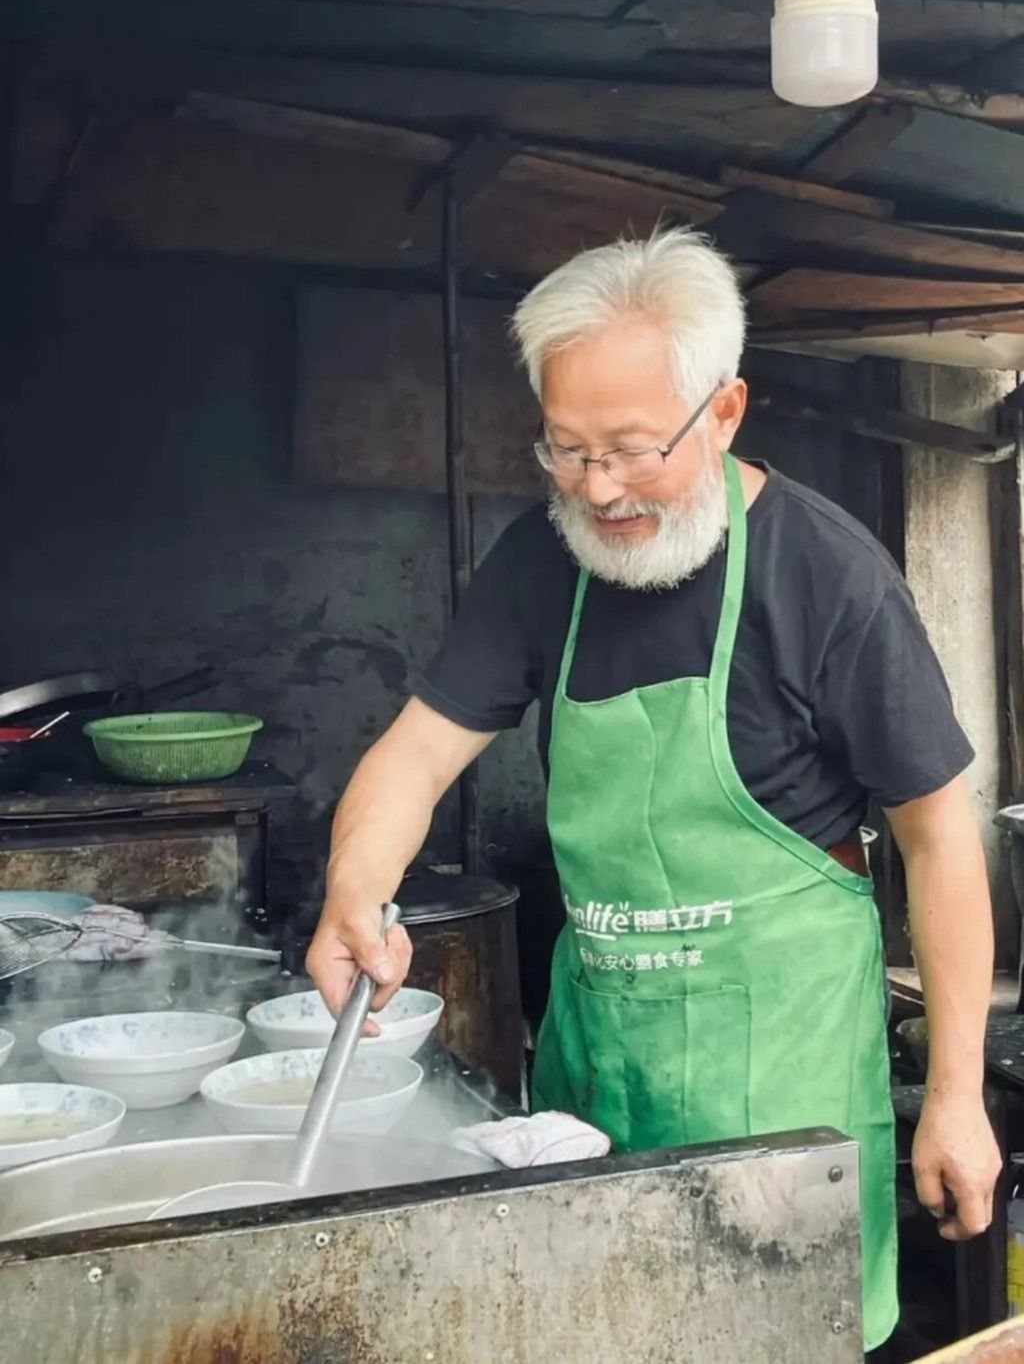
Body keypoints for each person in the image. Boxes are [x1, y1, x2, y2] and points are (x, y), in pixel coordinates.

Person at [306, 228, 1000, 1352]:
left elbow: (938, 837)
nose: (599, 489)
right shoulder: (543, 559)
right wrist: (352, 889)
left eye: (632, 450)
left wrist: (956, 1092)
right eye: (566, 450)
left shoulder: (825, 575)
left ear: (723, 413)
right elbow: (416, 753)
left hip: (782, 1080)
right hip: (602, 1056)